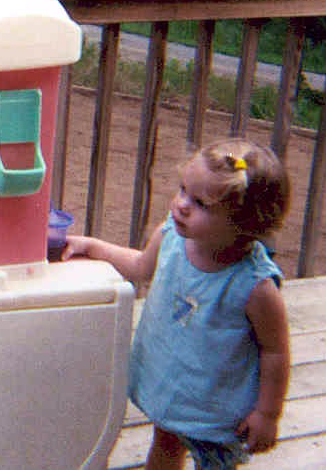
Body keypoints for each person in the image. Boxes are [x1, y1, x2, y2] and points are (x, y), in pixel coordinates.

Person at [63, 138, 291, 470]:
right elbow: (140, 266)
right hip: (173, 386)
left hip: (217, 407)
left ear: (244, 223)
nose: (181, 204)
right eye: (183, 190)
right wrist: (93, 247)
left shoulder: (254, 285)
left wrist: (268, 414)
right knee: (165, 443)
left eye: (200, 203)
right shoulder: (171, 235)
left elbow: (275, 351)